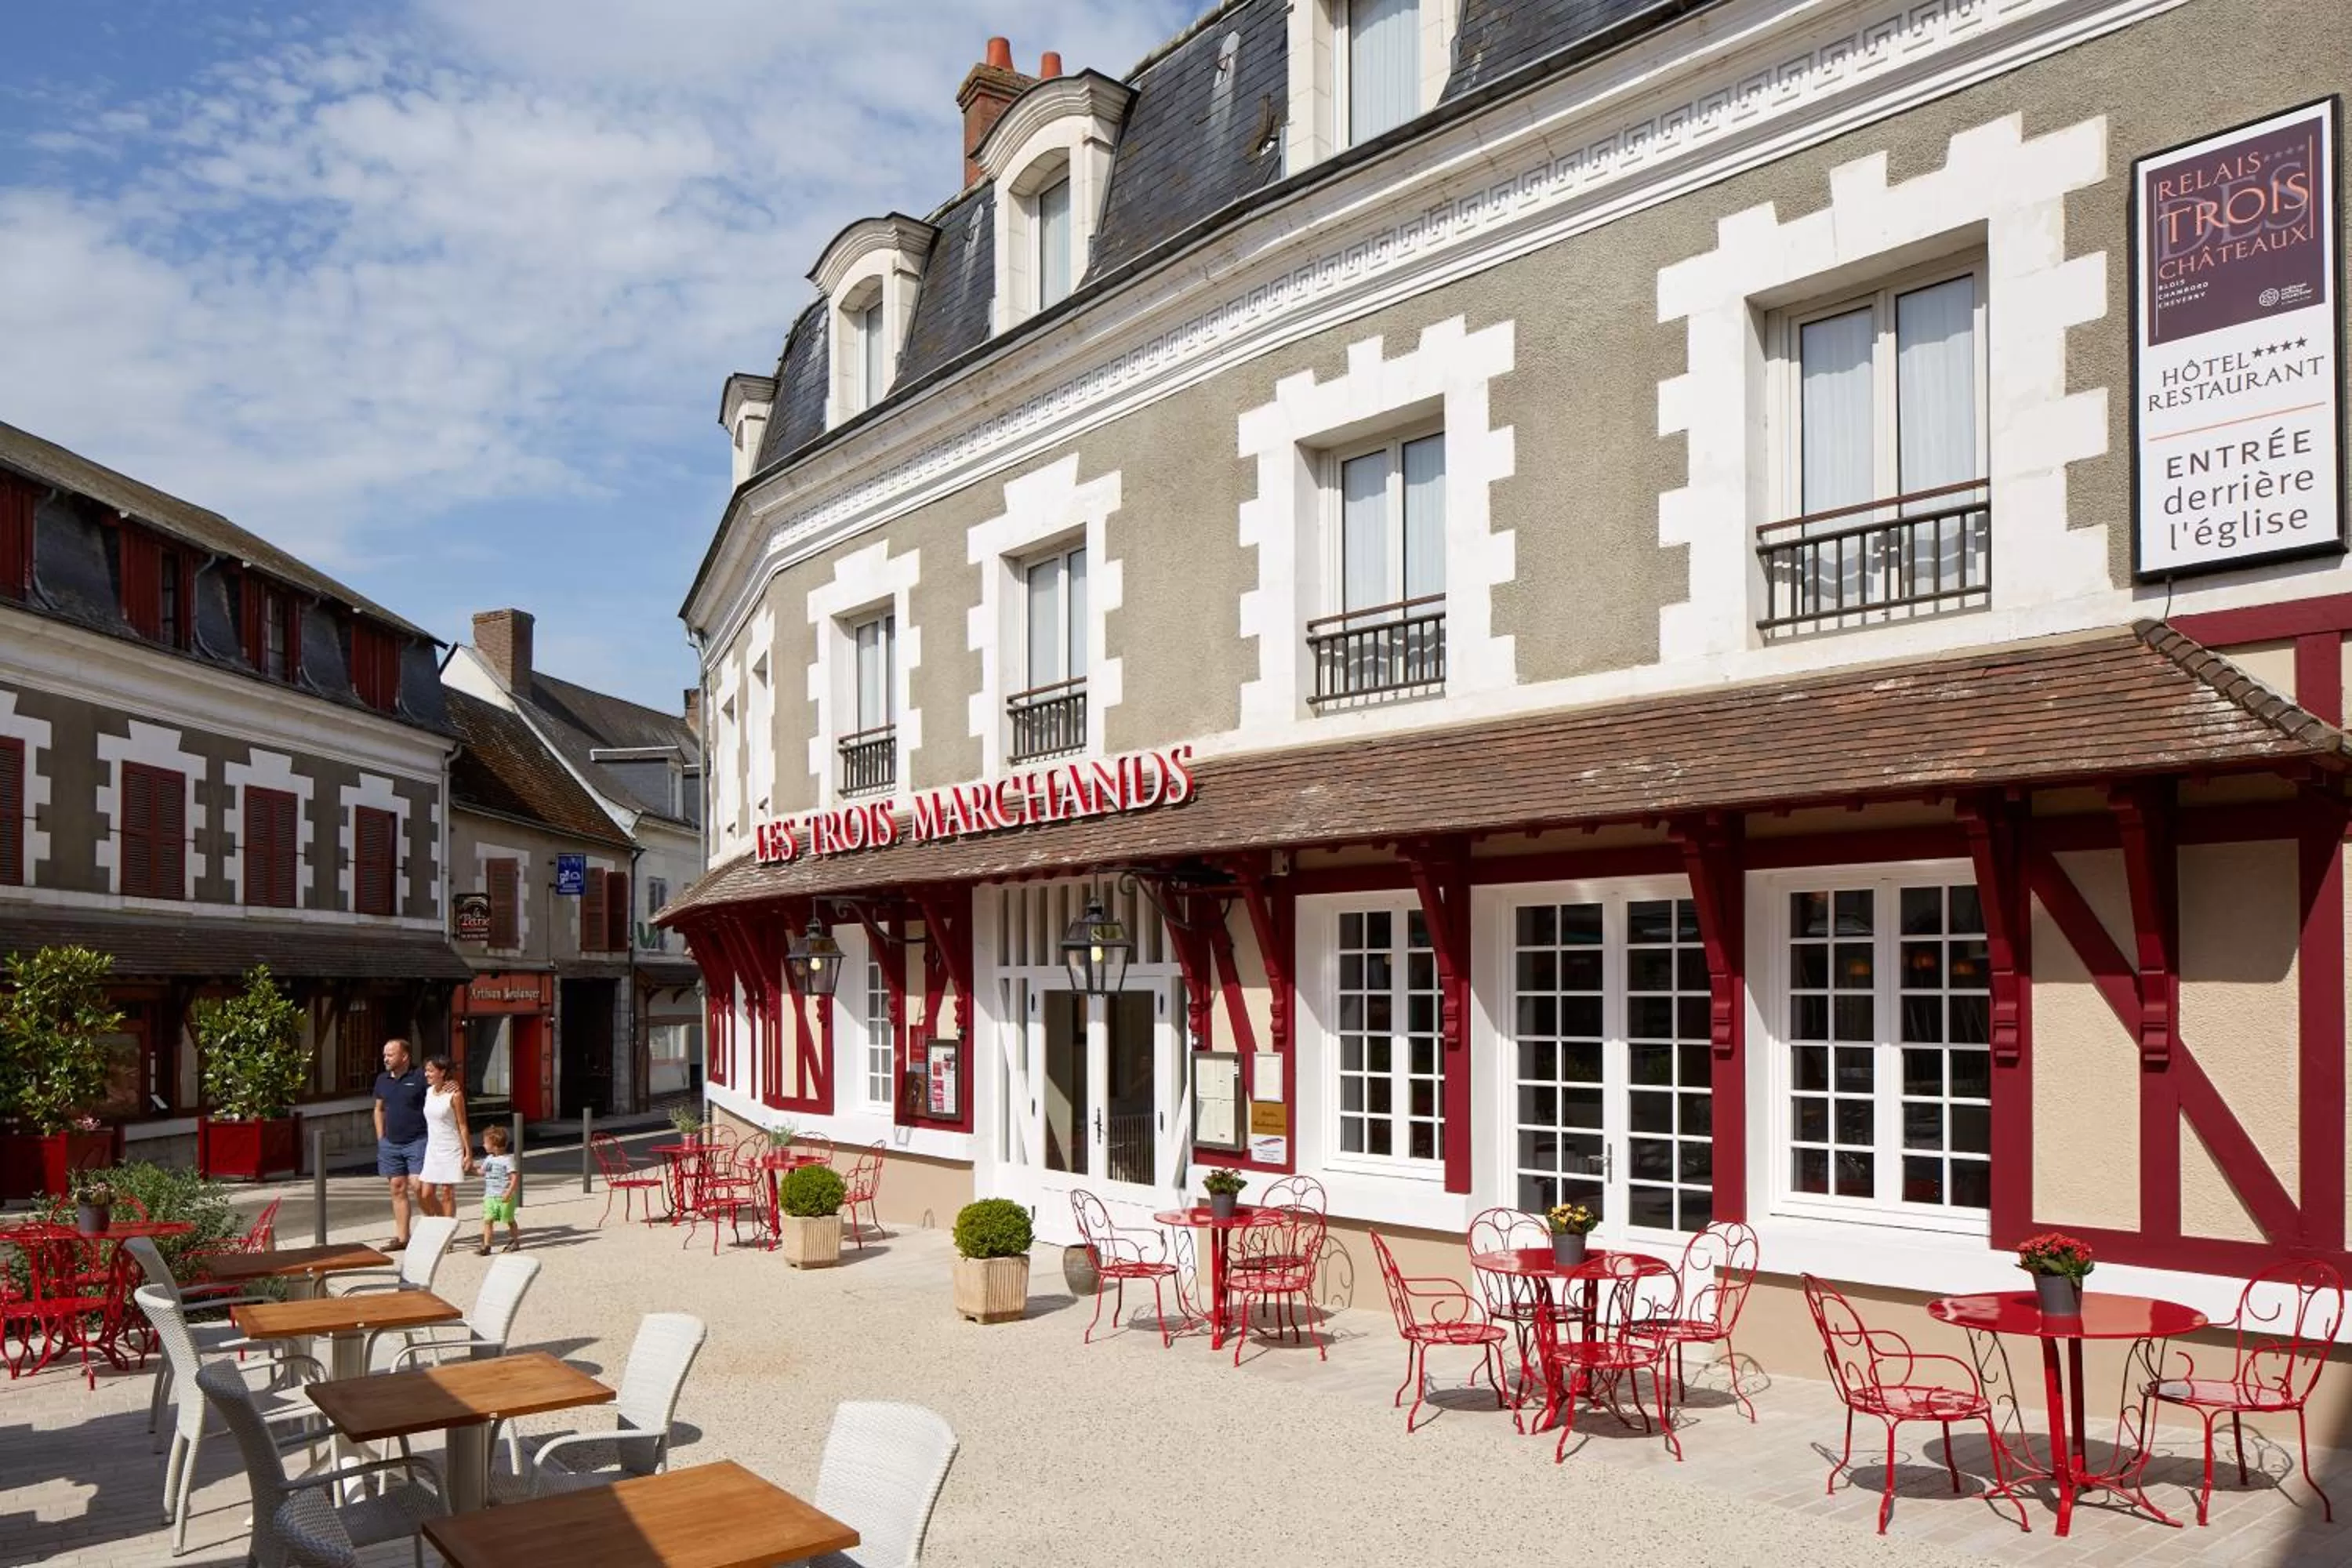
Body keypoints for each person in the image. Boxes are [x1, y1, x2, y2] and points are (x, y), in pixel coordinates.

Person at [372, 1038, 430, 1249]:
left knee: (419, 1186)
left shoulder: (420, 1077)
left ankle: (436, 1227)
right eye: (385, 1055)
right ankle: (403, 1238)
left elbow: (441, 1089)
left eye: (390, 1055)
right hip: (391, 1143)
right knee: (397, 1188)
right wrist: (381, 1137)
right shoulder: (382, 1080)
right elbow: (379, 1109)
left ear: (404, 1056)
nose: (385, 1059)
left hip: (418, 1140)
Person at [416, 1056, 471, 1219]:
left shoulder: (455, 1095)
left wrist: (468, 1154)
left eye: (430, 1071)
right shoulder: (429, 1092)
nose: (426, 1074)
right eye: (426, 1070)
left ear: (442, 1072)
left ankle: (447, 1228)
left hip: (451, 1148)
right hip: (433, 1149)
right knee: (426, 1193)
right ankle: (442, 1222)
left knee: (447, 1192)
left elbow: (463, 1125)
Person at [475, 1123, 521, 1255]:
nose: (483, 1145)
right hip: (490, 1197)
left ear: (494, 1145)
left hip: (504, 1197)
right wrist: (468, 1169)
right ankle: (487, 1246)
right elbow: (481, 1172)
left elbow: (514, 1177)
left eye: (485, 1143)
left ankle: (515, 1242)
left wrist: (509, 1192)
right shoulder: (488, 1159)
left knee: (509, 1220)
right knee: (488, 1220)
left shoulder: (507, 1160)